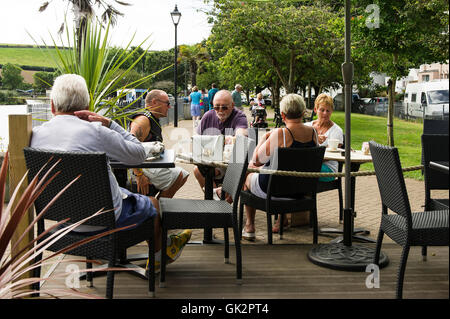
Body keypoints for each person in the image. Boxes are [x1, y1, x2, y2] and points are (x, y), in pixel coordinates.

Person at [30, 74, 192, 272]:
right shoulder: (97, 132)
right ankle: (159, 257)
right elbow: (138, 154)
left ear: (53, 106)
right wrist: (110, 123)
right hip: (106, 223)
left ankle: (163, 249)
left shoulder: (35, 136)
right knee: (154, 203)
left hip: (63, 224)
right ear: (87, 105)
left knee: (131, 197)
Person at [242, 93, 318, 241]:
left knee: (247, 171)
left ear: (283, 115)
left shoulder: (281, 133)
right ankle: (282, 219)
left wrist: (264, 137)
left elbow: (256, 160)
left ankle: (250, 225)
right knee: (267, 172)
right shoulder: (313, 133)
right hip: (301, 192)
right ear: (303, 113)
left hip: (273, 191)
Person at [129, 89, 190, 199]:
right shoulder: (143, 120)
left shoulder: (153, 118)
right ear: (154, 102)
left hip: (149, 163)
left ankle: (158, 206)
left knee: (183, 174)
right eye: (167, 103)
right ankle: (157, 208)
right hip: (141, 165)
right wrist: (139, 175)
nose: (169, 107)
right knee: (179, 175)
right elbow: (128, 147)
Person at [194, 89, 248, 198]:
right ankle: (216, 203)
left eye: (224, 107)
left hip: (232, 163)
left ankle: (223, 207)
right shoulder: (208, 116)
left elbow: (241, 135)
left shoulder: (239, 116)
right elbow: (196, 140)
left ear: (232, 105)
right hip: (213, 161)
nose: (220, 110)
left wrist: (224, 140)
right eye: (216, 107)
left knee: (240, 172)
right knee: (197, 171)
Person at [304, 93, 343, 182]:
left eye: (328, 110)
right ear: (315, 110)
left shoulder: (336, 131)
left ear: (332, 111)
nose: (325, 113)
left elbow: (331, 155)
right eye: (322, 110)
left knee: (301, 168)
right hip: (309, 164)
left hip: (328, 170)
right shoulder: (307, 127)